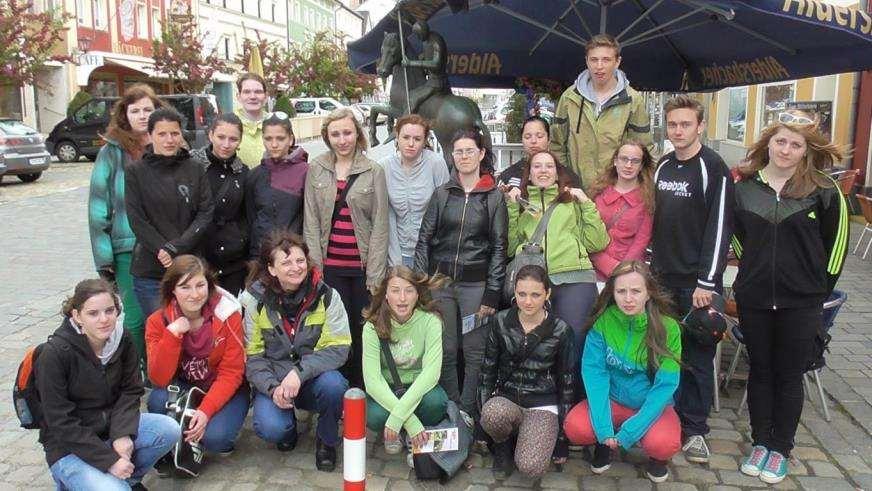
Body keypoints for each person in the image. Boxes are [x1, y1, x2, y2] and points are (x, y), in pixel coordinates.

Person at [732, 112, 849, 484]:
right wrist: (751, 271)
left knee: (789, 374)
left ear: (806, 151)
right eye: (780, 141)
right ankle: (760, 443)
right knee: (761, 371)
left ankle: (781, 447)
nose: (786, 149)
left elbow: (837, 247)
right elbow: (737, 238)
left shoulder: (824, 190)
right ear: (769, 142)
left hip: (802, 301)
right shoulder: (746, 189)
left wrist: (817, 288)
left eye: (795, 144)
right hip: (754, 299)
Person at [36, 279, 180, 490]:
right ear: (77, 316)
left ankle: (126, 480)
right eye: (93, 313)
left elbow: (131, 391)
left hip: (109, 429)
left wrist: (122, 434)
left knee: (168, 429)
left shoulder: (123, 339)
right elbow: (60, 422)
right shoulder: (54, 354)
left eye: (109, 311)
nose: (104, 320)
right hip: (69, 447)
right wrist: (109, 461)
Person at [650, 95, 733, 464]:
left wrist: (708, 282)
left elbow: (720, 228)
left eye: (685, 124)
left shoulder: (713, 167)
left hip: (697, 284)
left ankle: (696, 429)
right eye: (672, 125)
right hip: (661, 279)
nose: (678, 130)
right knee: (663, 352)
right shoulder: (663, 166)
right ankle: (665, 418)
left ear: (700, 126)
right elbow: (653, 221)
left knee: (698, 356)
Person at [414, 128, 508, 413]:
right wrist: (422, 283)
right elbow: (424, 240)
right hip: (440, 284)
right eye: (458, 151)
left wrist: (492, 293)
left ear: (481, 154)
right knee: (445, 349)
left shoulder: (493, 197)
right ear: (451, 156)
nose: (464, 156)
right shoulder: (442, 194)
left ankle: (469, 411)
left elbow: (499, 248)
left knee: (474, 351)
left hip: (475, 285)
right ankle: (451, 407)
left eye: (470, 151)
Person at [240, 230, 351, 471]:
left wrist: (299, 373)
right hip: (275, 381)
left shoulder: (328, 297)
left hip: (312, 379)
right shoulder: (253, 302)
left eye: (300, 261)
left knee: (334, 385)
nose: (295, 267)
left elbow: (338, 348)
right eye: (286, 262)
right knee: (271, 428)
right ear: (271, 269)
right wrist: (272, 388)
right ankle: (286, 429)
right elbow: (253, 357)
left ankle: (326, 440)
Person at [564, 260, 682, 483]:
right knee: (575, 428)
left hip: (649, 403)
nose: (628, 299)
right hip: (613, 400)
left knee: (664, 443)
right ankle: (604, 443)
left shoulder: (668, 328)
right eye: (621, 291)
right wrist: (603, 427)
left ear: (649, 293)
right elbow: (595, 374)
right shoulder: (603, 322)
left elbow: (666, 385)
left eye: (636, 291)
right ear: (612, 292)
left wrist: (633, 430)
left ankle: (656, 459)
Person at [303, 107, 388, 388]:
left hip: (361, 268)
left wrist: (375, 274)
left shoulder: (373, 171)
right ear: (327, 137)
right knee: (334, 331)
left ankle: (362, 389)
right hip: (330, 268)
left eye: (347, 133)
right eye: (335, 134)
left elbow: (379, 225)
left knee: (363, 330)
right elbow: (311, 220)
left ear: (357, 134)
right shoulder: (317, 168)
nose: (342, 139)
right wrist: (315, 269)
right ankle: (336, 389)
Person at [145, 255, 248, 459]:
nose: (194, 294)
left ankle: (199, 432)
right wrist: (172, 335)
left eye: (200, 285)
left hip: (223, 386)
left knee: (217, 439)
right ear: (172, 290)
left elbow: (232, 372)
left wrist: (205, 411)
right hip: (185, 387)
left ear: (209, 286)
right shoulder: (157, 321)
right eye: (185, 287)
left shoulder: (228, 315)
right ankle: (181, 437)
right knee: (157, 399)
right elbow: (158, 379)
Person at [88, 83, 163, 364]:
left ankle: (160, 368)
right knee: (135, 316)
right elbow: (97, 208)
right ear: (124, 115)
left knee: (164, 314)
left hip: (165, 246)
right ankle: (136, 370)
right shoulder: (112, 153)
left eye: (148, 109)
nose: (142, 115)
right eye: (135, 110)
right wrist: (104, 256)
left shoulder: (168, 145)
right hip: (127, 248)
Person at [478, 265, 575, 478]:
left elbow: (567, 381)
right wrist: (482, 424)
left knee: (530, 467)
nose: (528, 301)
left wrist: (562, 439)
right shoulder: (500, 321)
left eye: (535, 294)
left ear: (547, 294)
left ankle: (528, 436)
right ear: (514, 293)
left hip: (542, 404)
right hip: (507, 398)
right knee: (493, 414)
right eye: (522, 294)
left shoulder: (561, 330)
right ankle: (503, 445)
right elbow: (488, 370)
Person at [505, 149, 608, 349]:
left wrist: (586, 203)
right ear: (529, 173)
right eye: (537, 166)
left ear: (557, 172)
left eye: (549, 166)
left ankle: (575, 381)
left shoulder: (572, 202)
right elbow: (510, 248)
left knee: (574, 341)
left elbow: (597, 242)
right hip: (534, 283)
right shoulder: (521, 204)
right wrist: (511, 208)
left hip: (574, 278)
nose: (543, 171)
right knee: (538, 347)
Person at [125, 108, 215, 319]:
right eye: (162, 134)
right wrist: (162, 249)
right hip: (152, 268)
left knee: (194, 334)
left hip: (191, 265)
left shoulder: (194, 168)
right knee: (162, 334)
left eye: (174, 133)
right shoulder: (135, 172)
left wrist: (176, 247)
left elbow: (205, 212)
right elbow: (136, 218)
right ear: (150, 135)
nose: (169, 140)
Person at [550, 34, 653, 194]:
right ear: (587, 61)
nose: (599, 66)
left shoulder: (632, 100)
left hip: (617, 192)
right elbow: (557, 144)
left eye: (606, 60)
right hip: (575, 189)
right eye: (594, 59)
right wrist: (565, 178)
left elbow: (643, 148)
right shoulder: (569, 97)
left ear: (617, 62)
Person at [362, 266, 448, 455]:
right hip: (388, 387)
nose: (402, 298)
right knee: (373, 415)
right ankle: (402, 430)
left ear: (417, 294)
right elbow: (372, 381)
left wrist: (399, 416)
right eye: (395, 291)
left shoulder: (430, 321)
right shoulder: (372, 326)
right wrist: (410, 422)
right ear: (385, 295)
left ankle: (411, 435)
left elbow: (431, 374)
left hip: (419, 387)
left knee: (437, 403)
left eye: (409, 291)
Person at [190, 113, 250, 295]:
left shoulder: (243, 172)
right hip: (200, 255)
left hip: (233, 259)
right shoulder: (193, 166)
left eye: (233, 139)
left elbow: (245, 215)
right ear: (210, 135)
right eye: (221, 137)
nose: (226, 144)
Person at [380, 114, 449, 267]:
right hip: (396, 254)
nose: (411, 143)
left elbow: (446, 209)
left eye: (417, 139)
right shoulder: (384, 166)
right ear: (397, 137)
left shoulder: (436, 163)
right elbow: (383, 214)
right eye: (405, 137)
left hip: (430, 253)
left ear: (425, 141)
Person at [589, 141, 656, 282]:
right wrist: (607, 265)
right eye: (624, 159)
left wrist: (622, 272)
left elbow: (641, 242)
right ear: (615, 161)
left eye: (635, 161)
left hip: (629, 274)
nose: (628, 165)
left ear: (641, 166)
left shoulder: (648, 198)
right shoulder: (597, 193)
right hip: (594, 271)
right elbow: (588, 235)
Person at [246, 111, 309, 258]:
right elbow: (251, 218)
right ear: (263, 140)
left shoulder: (306, 172)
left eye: (280, 138)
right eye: (268, 139)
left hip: (293, 256)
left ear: (291, 139)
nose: (274, 144)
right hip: (261, 256)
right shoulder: (254, 175)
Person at [498, 116, 580, 195]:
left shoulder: (567, 176)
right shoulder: (508, 176)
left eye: (539, 136)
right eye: (527, 137)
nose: (533, 141)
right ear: (522, 140)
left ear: (549, 140)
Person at [403, 20, 450, 113]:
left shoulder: (436, 41)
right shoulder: (425, 41)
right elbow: (425, 56)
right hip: (431, 81)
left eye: (419, 35)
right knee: (411, 94)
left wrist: (410, 63)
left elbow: (436, 64)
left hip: (437, 82)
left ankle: (407, 122)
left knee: (413, 100)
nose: (418, 38)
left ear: (424, 32)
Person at [234, 73, 269, 167]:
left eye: (258, 92)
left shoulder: (276, 124)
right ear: (238, 96)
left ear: (265, 96)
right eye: (246, 92)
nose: (253, 96)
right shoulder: (228, 125)